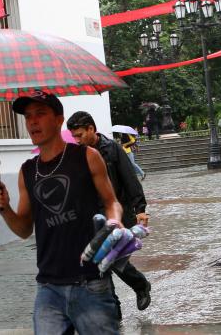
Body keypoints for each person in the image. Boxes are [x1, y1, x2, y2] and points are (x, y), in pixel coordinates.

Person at [0, 91, 123, 334]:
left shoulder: (87, 157)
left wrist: (114, 223)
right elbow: (23, 229)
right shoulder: (27, 171)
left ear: (59, 119)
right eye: (28, 117)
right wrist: (5, 209)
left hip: (90, 281)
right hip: (48, 286)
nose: (32, 122)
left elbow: (111, 201)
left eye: (40, 114)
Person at [66, 111, 152, 316]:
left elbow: (130, 179)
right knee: (99, 264)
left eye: (79, 135)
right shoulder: (77, 155)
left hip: (116, 212)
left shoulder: (112, 149)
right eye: (73, 136)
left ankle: (140, 286)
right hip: (91, 216)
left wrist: (140, 209)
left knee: (111, 259)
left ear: (91, 129)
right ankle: (114, 307)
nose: (76, 140)